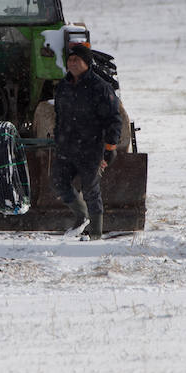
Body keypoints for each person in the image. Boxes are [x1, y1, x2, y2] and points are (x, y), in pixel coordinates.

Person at [52, 42, 121, 239]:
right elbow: (59, 117)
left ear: (87, 63)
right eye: (70, 60)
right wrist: (58, 139)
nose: (72, 63)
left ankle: (96, 235)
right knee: (58, 182)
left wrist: (110, 146)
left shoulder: (100, 87)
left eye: (77, 60)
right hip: (66, 147)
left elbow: (113, 119)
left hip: (91, 148)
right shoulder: (63, 87)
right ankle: (82, 217)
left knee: (91, 189)